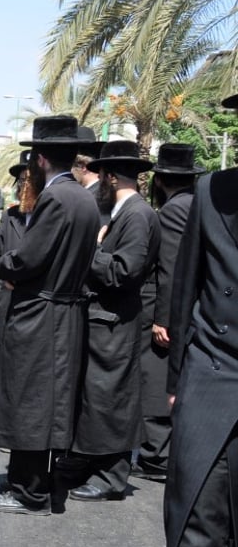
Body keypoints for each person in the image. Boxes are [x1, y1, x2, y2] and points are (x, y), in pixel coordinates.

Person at [149, 98, 238, 547]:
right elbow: (187, 289)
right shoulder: (212, 191)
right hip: (214, 371)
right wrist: (179, 380)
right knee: (198, 514)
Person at [0, 117, 99, 515]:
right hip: (66, 312)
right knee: (52, 402)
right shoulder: (84, 196)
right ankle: (44, 484)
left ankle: (27, 490)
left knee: (29, 401)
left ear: (42, 158)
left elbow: (28, 256)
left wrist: (5, 269)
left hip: (39, 313)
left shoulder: (55, 198)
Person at [62, 142, 160, 501]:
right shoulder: (123, 210)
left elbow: (124, 270)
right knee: (96, 397)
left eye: (101, 174)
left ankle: (111, 476)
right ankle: (89, 462)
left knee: (112, 399)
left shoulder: (137, 214)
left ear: (111, 176)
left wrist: (91, 250)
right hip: (105, 320)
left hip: (117, 323)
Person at [135, 144, 202, 483]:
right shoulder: (195, 205)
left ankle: (155, 455)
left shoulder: (175, 211)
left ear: (159, 180)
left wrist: (163, 318)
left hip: (169, 314)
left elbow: (172, 270)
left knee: (156, 380)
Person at [0, 150, 33, 316]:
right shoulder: (9, 216)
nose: (25, 185)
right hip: (8, 305)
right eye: (22, 180)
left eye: (31, 179)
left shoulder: (52, 215)